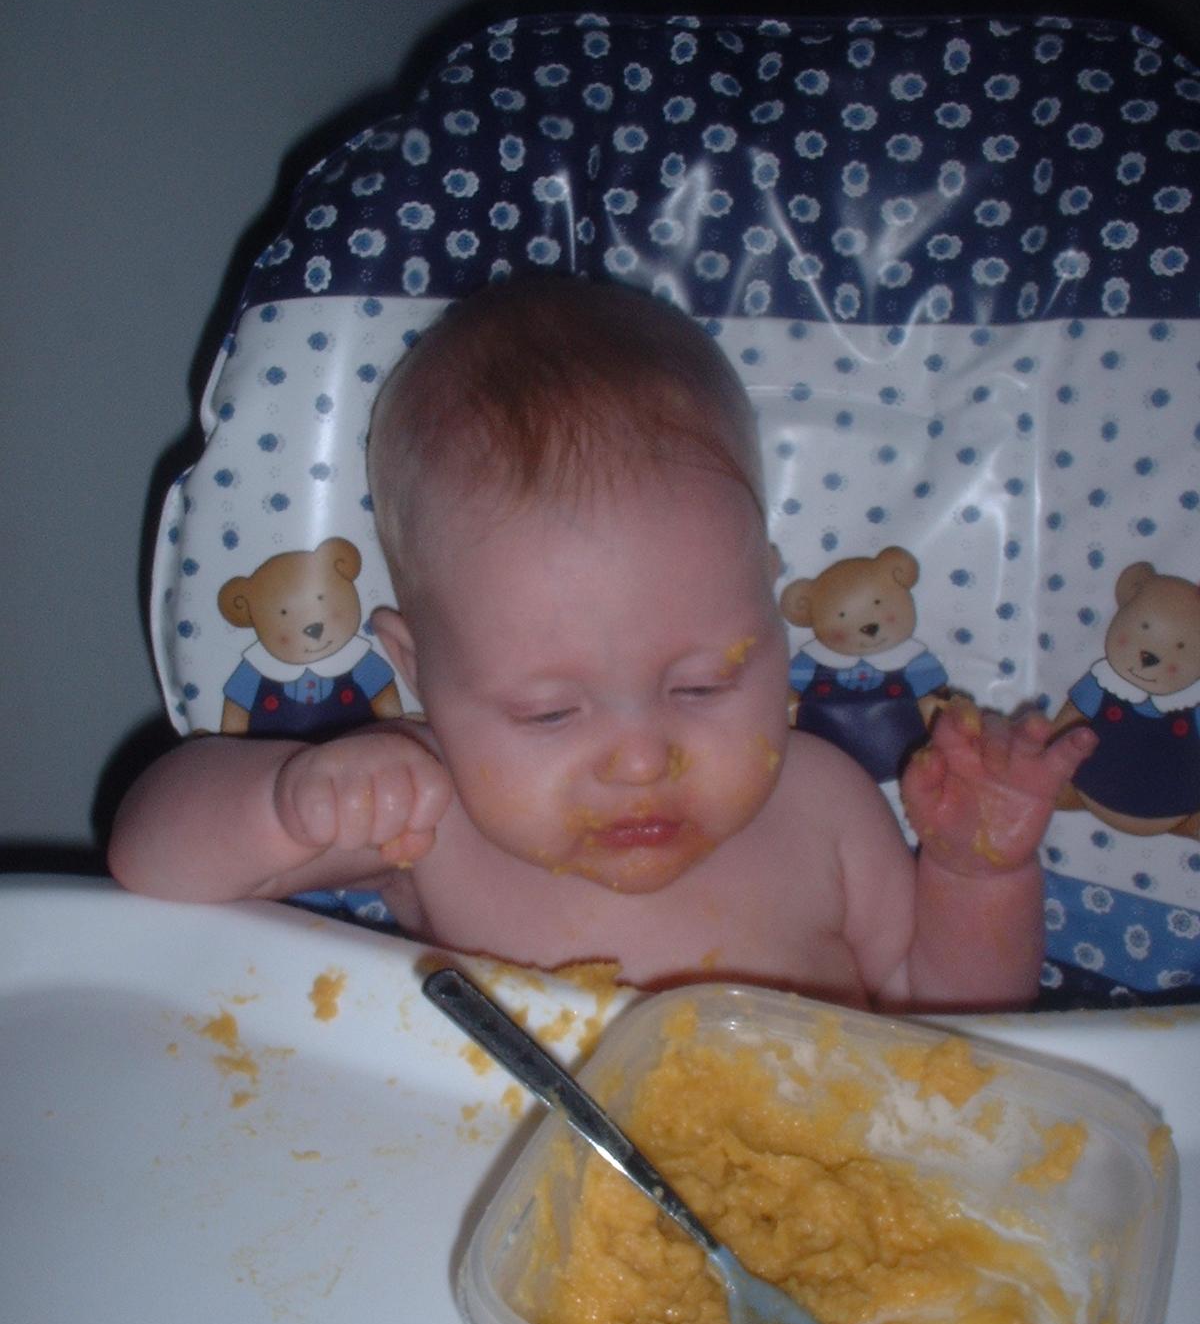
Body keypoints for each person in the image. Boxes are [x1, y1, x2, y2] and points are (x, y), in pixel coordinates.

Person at [110, 277, 1096, 1009]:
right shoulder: (425, 813)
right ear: (419, 672)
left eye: (702, 686)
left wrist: (976, 876)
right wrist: (288, 803)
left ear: (771, 617)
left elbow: (957, 1028)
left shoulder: (825, 805)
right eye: (550, 712)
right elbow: (153, 865)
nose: (638, 760)